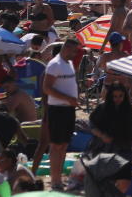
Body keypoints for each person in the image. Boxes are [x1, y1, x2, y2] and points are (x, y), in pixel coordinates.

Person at [41, 38, 81, 191]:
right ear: (66, 49)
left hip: (68, 109)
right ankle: (55, 179)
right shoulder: (54, 64)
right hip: (57, 109)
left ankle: (58, 178)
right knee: (56, 145)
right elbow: (47, 88)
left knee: (64, 144)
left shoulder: (69, 64)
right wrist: (68, 98)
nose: (75, 53)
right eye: (73, 50)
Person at [89, 82, 132, 194]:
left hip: (124, 150)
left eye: (120, 96)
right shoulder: (102, 108)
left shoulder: (128, 109)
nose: (118, 99)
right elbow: (92, 125)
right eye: (115, 96)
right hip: (105, 150)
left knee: (124, 183)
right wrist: (102, 135)